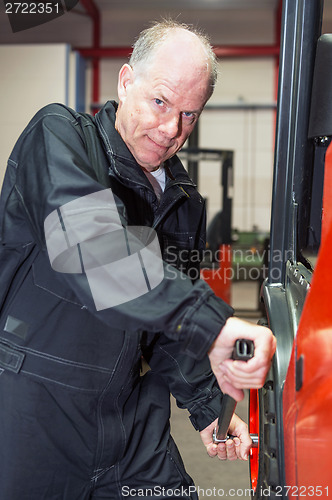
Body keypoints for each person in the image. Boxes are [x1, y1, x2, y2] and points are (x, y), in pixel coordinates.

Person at [0, 19, 276, 500]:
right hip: (35, 411)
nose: (172, 128)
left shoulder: (182, 198)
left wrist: (208, 403)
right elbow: (92, 248)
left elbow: (164, 330)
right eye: (161, 102)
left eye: (190, 115)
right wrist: (211, 322)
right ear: (126, 82)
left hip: (131, 415)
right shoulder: (60, 137)